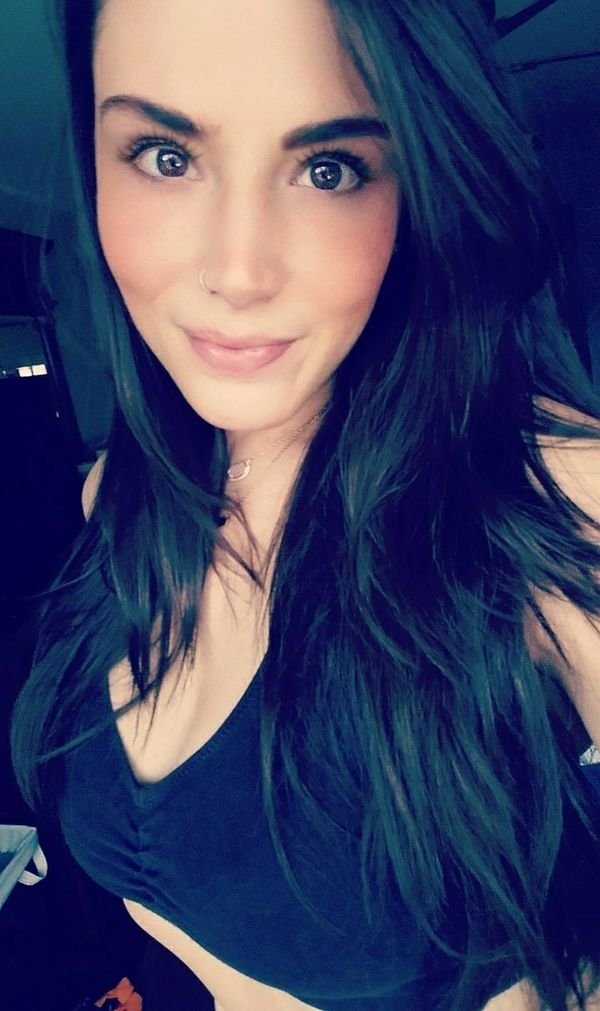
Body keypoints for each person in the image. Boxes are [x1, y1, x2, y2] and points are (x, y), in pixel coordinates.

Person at [10, 0, 600, 1008]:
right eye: (164, 155)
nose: (239, 273)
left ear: (421, 185)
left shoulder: (553, 492)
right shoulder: (118, 498)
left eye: (329, 169)